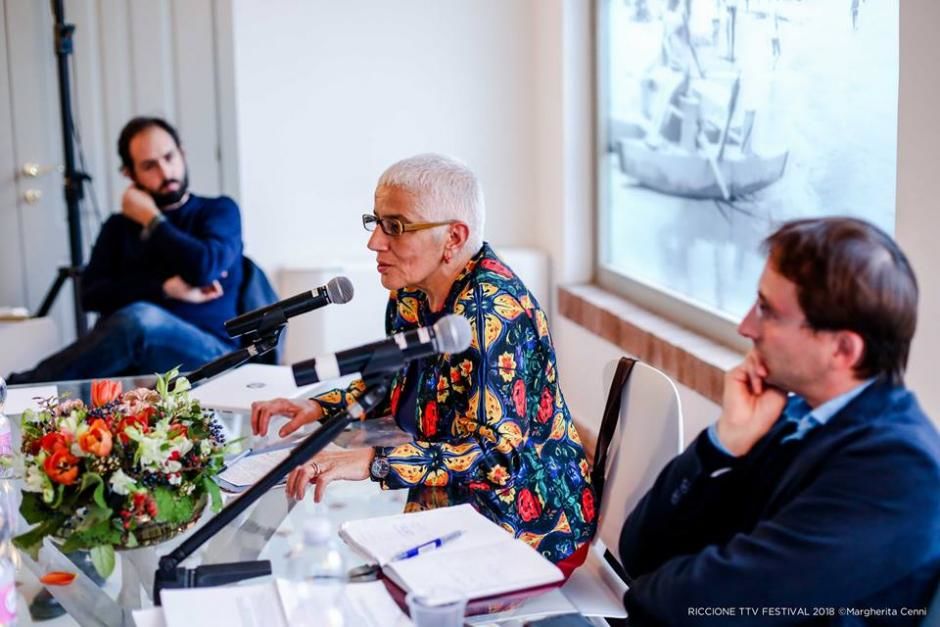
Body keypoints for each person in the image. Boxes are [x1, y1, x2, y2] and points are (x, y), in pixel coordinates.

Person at [251, 154, 596, 572]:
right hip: (448, 506)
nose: (374, 242)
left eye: (395, 227)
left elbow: (499, 460)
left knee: (338, 580)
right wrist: (318, 406)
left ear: (453, 237)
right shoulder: (411, 292)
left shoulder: (490, 314)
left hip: (528, 528)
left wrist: (374, 461)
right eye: (376, 222)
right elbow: (393, 383)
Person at [619, 218, 940, 625]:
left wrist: (642, 591)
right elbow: (639, 551)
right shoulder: (791, 416)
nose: (746, 327)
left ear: (843, 350)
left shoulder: (899, 469)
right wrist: (723, 442)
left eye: (767, 311)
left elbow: (712, 603)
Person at [8, 117, 243, 383]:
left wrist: (153, 220)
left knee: (140, 319)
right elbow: (91, 295)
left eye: (169, 157)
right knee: (134, 324)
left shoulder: (219, 211)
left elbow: (204, 268)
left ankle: (20, 387)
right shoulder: (118, 227)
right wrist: (164, 289)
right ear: (130, 174)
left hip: (211, 353)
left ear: (182, 153)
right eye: (149, 166)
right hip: (135, 351)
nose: (165, 172)